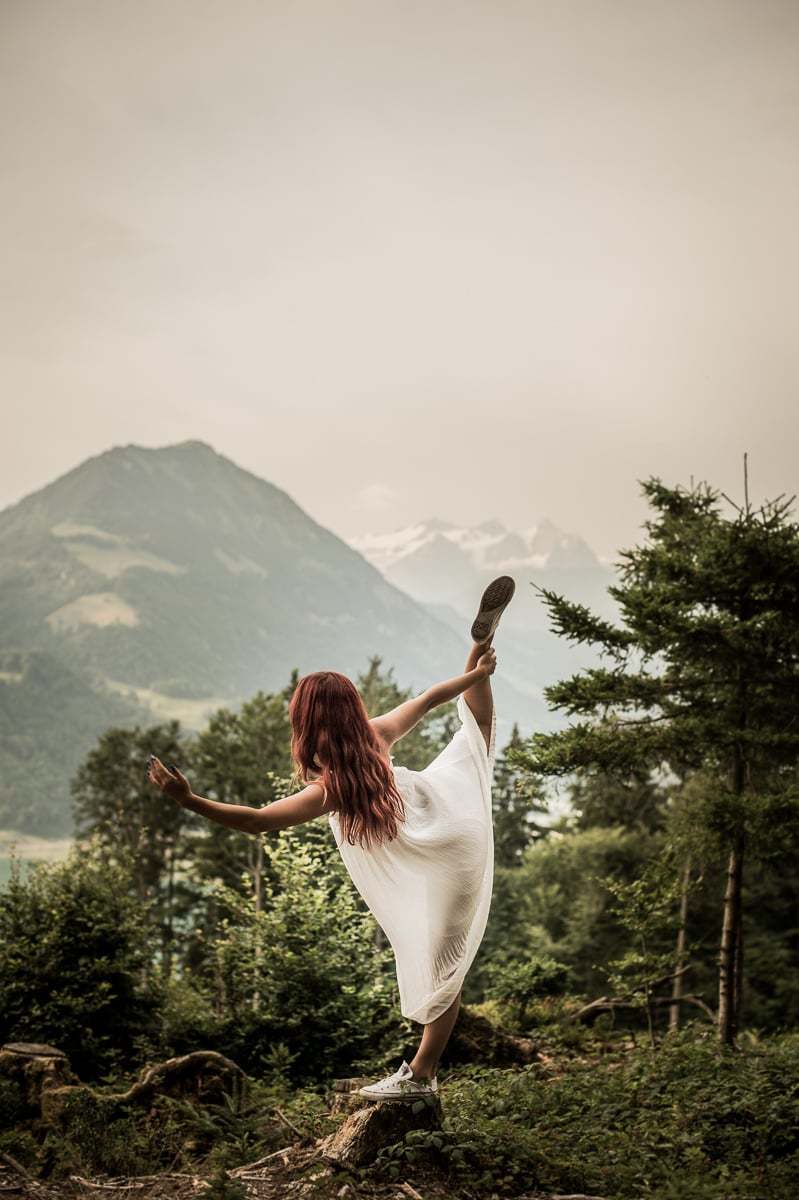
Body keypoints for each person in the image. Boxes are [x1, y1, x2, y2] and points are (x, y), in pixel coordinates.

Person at [147, 575, 516, 1101]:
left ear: (307, 721)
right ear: (350, 710)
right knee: (476, 734)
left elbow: (257, 820)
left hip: (439, 853)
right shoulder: (377, 734)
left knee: (442, 968)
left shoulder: (332, 790)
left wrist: (188, 801)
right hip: (450, 825)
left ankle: (421, 1076)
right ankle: (480, 640)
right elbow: (432, 696)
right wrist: (476, 670)